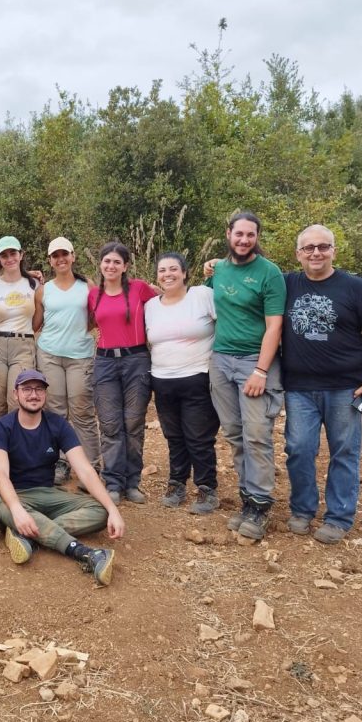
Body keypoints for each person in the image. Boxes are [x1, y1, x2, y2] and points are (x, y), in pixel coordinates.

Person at [282, 225, 362, 545]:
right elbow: (251, 278)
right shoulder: (286, 284)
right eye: (309, 248)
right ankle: (302, 509)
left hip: (345, 387)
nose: (316, 253)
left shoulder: (354, 288)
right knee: (299, 449)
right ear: (298, 254)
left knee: (344, 451)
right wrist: (218, 265)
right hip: (299, 388)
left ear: (334, 251)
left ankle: (339, 517)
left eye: (323, 247)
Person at [0, 370, 124, 586]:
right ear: (16, 394)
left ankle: (27, 535)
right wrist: (17, 510)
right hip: (11, 498)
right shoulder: (0, 427)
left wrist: (114, 510)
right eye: (27, 389)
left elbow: (85, 470)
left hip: (48, 494)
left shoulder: (57, 424)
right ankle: (86, 554)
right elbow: (0, 473)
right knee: (5, 510)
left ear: (45, 394)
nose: (34, 394)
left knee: (100, 512)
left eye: (39, 389)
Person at [205, 212, 286, 541]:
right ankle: (246, 500)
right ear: (228, 234)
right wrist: (208, 268)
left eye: (250, 235)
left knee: (257, 435)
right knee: (235, 434)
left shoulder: (269, 273)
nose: (243, 240)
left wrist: (261, 370)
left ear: (256, 237)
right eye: (238, 234)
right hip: (221, 361)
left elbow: (275, 326)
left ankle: (261, 505)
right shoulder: (219, 270)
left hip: (255, 362)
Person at [145, 252, 221, 512]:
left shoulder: (201, 296)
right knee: (174, 436)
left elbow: (227, 322)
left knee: (199, 436)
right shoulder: (151, 306)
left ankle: (206, 487)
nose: (168, 274)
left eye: (173, 269)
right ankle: (177, 483)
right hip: (162, 379)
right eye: (162, 270)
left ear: (185, 273)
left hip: (198, 376)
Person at [88, 242, 158, 505]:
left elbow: (165, 303)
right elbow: (87, 322)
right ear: (101, 264)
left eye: (117, 262)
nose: (111, 266)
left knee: (133, 422)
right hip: (105, 362)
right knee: (109, 424)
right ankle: (113, 483)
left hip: (136, 360)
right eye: (107, 261)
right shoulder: (93, 294)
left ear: (126, 266)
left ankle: (133, 483)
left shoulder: (140, 289)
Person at [32, 237, 100, 486]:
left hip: (80, 355)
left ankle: (92, 465)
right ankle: (60, 462)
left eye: (64, 254)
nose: (60, 259)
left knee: (82, 411)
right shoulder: (43, 290)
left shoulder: (87, 286)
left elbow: (94, 319)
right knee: (56, 411)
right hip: (49, 354)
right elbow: (36, 323)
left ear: (72, 256)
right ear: (50, 260)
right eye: (55, 255)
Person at [0, 236, 38, 418]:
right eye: (4, 255)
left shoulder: (34, 284)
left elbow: (38, 320)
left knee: (17, 400)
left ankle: (18, 445)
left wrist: (26, 334)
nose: (9, 258)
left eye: (13, 253)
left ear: (21, 255)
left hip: (23, 346)